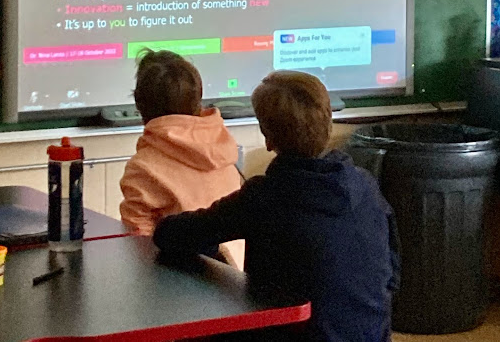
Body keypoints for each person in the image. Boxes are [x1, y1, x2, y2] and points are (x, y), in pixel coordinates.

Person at [154, 71, 400, 342]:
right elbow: (392, 271)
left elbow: (176, 234)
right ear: (328, 122)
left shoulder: (265, 197)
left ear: (268, 139)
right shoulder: (366, 185)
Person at [120, 49, 243, 267]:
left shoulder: (143, 167)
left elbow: (139, 245)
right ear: (198, 101)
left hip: (185, 280)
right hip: (236, 275)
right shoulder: (223, 149)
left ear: (139, 105)